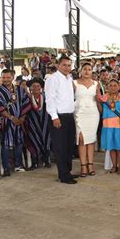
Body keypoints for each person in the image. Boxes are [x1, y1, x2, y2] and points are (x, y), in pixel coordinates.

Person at [45, 56, 77, 184]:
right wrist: (54, 116)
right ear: (58, 65)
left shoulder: (69, 78)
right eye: (64, 65)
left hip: (69, 116)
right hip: (58, 116)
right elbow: (50, 98)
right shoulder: (53, 79)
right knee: (60, 147)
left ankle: (67, 172)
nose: (67, 68)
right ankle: (63, 175)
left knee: (69, 146)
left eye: (69, 65)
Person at [0, 69, 31, 176]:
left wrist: (22, 118)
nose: (6, 80)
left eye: (8, 77)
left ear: (13, 77)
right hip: (5, 122)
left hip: (19, 122)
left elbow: (26, 103)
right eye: (3, 77)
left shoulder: (20, 90)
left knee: (19, 143)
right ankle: (6, 168)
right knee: (6, 145)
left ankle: (19, 165)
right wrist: (12, 118)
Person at [98, 79, 120, 174]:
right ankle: (114, 165)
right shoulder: (104, 97)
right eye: (110, 85)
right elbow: (102, 112)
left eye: (115, 85)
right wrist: (98, 102)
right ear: (107, 87)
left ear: (119, 87)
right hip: (108, 125)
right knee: (111, 146)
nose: (113, 87)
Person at [74, 63, 100, 177]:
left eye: (89, 69)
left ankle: (90, 164)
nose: (87, 71)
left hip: (93, 113)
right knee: (81, 140)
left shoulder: (97, 84)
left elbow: (99, 99)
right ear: (81, 70)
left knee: (91, 140)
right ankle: (83, 166)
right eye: (84, 69)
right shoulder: (74, 83)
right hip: (79, 113)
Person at [26, 78, 51, 169]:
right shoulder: (27, 98)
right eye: (34, 86)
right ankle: (34, 162)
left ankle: (46, 160)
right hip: (32, 123)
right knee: (34, 141)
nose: (36, 88)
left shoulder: (46, 97)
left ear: (41, 88)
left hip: (45, 123)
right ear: (30, 88)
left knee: (46, 140)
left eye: (38, 86)